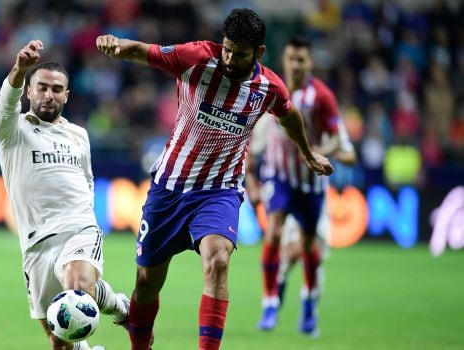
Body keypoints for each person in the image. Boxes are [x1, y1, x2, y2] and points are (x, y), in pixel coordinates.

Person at [95, 9, 334, 350]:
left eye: (240, 53)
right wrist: (115, 43)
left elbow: (290, 115)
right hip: (169, 188)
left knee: (218, 260)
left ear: (259, 53)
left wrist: (308, 154)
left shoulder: (268, 87)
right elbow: (145, 52)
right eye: (227, 48)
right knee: (147, 282)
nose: (230, 58)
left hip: (219, 192)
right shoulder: (195, 58)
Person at [0, 39, 129, 350]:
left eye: (56, 89)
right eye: (41, 87)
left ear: (66, 95)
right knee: (60, 341)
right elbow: (5, 103)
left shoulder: (79, 135)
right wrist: (18, 69)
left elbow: (87, 181)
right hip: (35, 242)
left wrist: (86, 220)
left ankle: (112, 306)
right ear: (29, 91)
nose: (48, 94)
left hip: (77, 227)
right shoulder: (12, 129)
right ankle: (118, 306)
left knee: (76, 290)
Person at [244, 37, 343, 336]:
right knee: (273, 231)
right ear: (284, 60)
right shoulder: (270, 89)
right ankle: (270, 302)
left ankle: (309, 302)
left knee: (308, 245)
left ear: (310, 62)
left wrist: (318, 150)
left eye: (301, 59)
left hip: (309, 182)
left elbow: (337, 137)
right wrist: (251, 179)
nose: (295, 64)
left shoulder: (322, 97)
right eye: (291, 58)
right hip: (278, 176)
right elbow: (252, 136)